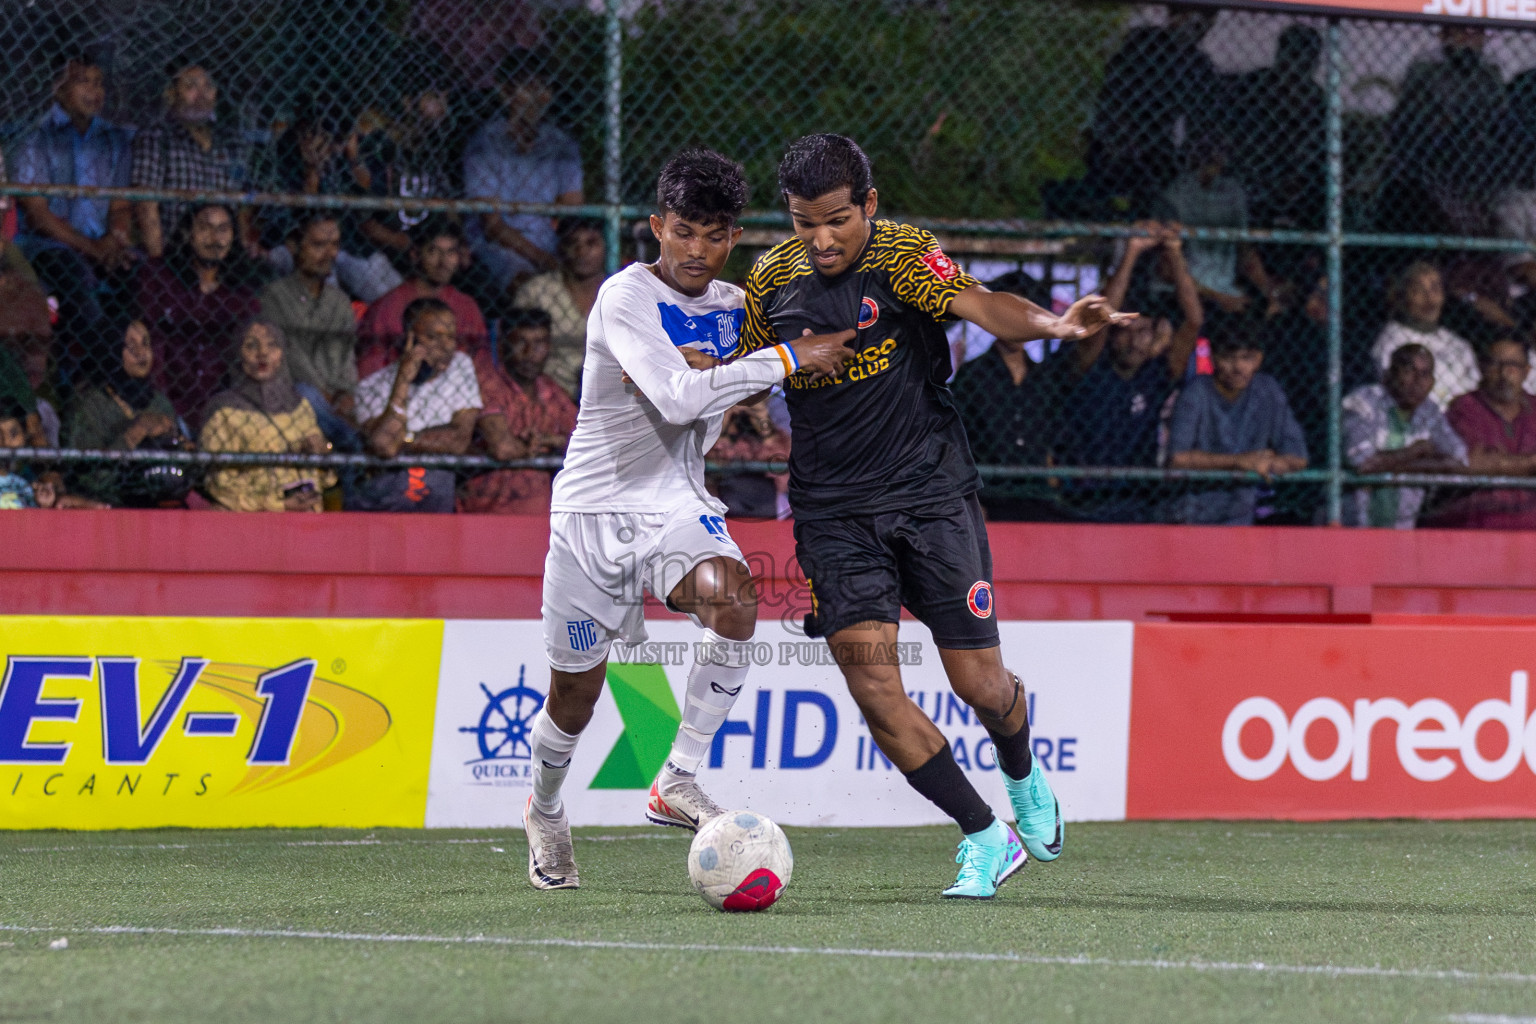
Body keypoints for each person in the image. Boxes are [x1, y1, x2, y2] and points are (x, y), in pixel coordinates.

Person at [733, 134, 1128, 899]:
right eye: (804, 222)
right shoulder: (769, 280)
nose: (822, 240)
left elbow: (983, 306)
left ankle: (1021, 772)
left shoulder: (906, 254)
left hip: (930, 494)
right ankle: (984, 835)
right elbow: (745, 373)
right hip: (832, 512)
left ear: (869, 206)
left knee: (979, 685)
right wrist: (743, 398)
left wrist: (1052, 325)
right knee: (873, 686)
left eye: (838, 220)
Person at [522, 148, 858, 890]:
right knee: (572, 698)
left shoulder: (742, 308)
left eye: (712, 236)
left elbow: (813, 343)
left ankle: (675, 777)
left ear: (732, 237)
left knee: (737, 602)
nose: (696, 251)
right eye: (683, 232)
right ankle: (545, 810)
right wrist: (784, 359)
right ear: (656, 228)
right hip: (591, 516)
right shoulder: (624, 297)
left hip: (677, 504)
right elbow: (677, 397)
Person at [1055, 221, 1203, 522]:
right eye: (1126, 331)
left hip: (1138, 500)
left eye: (1145, 331)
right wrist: (1132, 251)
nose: (1135, 340)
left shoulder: (1155, 374)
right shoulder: (1091, 365)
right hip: (1082, 500)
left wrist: (1174, 253)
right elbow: (1098, 317)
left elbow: (1194, 321)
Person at [11, 50, 135, 378]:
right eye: (83, 82)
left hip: (99, 243)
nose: (94, 92)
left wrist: (115, 240)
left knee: (138, 273)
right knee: (73, 273)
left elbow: (121, 205)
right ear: (59, 87)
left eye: (99, 83)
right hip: (47, 246)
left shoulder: (114, 139)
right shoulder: (37, 136)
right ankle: (103, 373)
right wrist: (92, 249)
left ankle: (133, 363)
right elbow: (38, 215)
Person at [463, 51, 583, 298]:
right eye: (528, 88)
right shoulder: (485, 144)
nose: (538, 98)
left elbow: (573, 209)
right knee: (530, 288)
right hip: (501, 247)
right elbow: (493, 227)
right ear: (506, 93)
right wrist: (544, 260)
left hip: (551, 244)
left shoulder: (560, 144)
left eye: (544, 88)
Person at [1166, 320, 1308, 525]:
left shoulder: (1267, 390)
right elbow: (1178, 458)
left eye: (1247, 358)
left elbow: (1298, 457)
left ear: (1259, 359)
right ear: (1213, 357)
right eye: (1229, 358)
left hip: (1240, 515)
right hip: (1191, 513)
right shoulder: (1196, 392)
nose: (1239, 367)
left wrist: (1269, 463)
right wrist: (1240, 462)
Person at [135, 203, 263, 426]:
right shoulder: (161, 279)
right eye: (205, 228)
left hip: (224, 407)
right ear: (189, 234)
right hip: (166, 402)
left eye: (223, 229)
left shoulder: (242, 294)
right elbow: (152, 344)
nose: (215, 238)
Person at [351, 297, 483, 512]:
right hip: (391, 483)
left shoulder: (460, 366)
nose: (446, 346)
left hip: (437, 478)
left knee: (436, 479)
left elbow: (458, 439)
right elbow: (384, 446)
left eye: (450, 337)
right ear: (408, 339)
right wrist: (403, 378)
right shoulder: (372, 387)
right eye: (432, 337)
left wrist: (404, 438)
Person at [198, 319, 333, 512]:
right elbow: (218, 485)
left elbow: (326, 479)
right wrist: (279, 504)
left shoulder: (300, 406)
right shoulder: (223, 411)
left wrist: (323, 454)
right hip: (254, 523)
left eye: (272, 345)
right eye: (251, 345)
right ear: (238, 354)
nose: (262, 353)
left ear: (282, 354)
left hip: (306, 519)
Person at [129, 57, 257, 260]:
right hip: (176, 252)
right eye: (191, 86)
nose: (202, 95)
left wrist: (244, 248)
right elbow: (146, 206)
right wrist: (159, 262)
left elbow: (243, 203)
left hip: (225, 253)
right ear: (171, 93)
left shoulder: (231, 142)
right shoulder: (157, 138)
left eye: (209, 86)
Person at [459, 307, 576, 514]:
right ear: (503, 346)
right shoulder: (488, 384)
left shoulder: (552, 391)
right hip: (485, 508)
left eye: (539, 343)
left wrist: (550, 441)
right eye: (521, 342)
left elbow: (584, 438)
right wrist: (539, 445)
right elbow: (502, 448)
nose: (530, 353)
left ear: (549, 347)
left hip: (539, 515)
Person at [1341, 343, 1468, 529]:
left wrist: (1395, 465)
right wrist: (1417, 451)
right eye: (1409, 370)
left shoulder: (1430, 411)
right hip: (1351, 526)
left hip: (1402, 530)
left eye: (1425, 374)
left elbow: (1459, 461)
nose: (1417, 381)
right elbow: (1363, 463)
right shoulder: (1363, 401)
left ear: (1432, 382)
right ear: (1389, 375)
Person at [65, 319, 189, 507]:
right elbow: (88, 476)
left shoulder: (159, 402)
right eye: (131, 346)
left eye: (146, 343)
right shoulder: (90, 404)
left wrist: (182, 448)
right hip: (105, 505)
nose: (142, 353)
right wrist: (136, 432)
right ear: (112, 350)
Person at [1154, 137, 1280, 318]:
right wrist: (1218, 297)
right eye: (1207, 152)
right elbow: (1166, 269)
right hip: (1182, 291)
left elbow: (1245, 251)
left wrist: (1269, 292)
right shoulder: (1175, 193)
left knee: (1258, 312)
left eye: (1218, 152)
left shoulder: (1232, 191)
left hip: (1224, 290)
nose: (1214, 158)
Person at [258, 214, 360, 422]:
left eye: (334, 245)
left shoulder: (339, 301)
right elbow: (292, 360)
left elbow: (346, 358)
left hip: (333, 398)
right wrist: (326, 395)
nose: (329, 253)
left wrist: (346, 393)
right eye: (318, 245)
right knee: (305, 394)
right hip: (295, 394)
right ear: (293, 246)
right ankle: (351, 441)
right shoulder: (273, 296)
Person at [358, 217, 488, 378]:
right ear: (415, 254)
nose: (443, 262)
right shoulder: (388, 306)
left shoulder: (467, 306)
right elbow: (370, 369)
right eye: (433, 251)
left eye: (451, 252)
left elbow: (482, 365)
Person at [1433, 337, 1536, 529]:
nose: (1504, 374)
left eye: (1512, 365)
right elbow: (1472, 463)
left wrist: (1499, 463)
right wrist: (1531, 463)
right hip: (1478, 523)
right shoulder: (1465, 407)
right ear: (1481, 367)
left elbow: (1488, 463)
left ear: (1526, 371)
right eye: (1495, 364)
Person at [513, 217, 607, 398]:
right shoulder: (537, 292)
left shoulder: (620, 292)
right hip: (548, 391)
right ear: (560, 248)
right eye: (572, 243)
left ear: (605, 246)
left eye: (591, 243)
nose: (582, 252)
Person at [1369, 262, 1481, 411]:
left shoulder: (1459, 344)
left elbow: (1475, 390)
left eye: (1435, 289)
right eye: (1418, 290)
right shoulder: (1390, 342)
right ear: (1403, 296)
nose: (1429, 298)